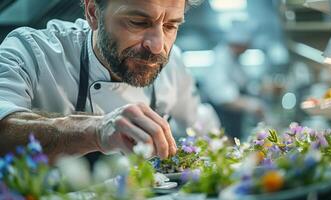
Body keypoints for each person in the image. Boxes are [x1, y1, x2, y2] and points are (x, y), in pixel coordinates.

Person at [0, 0, 219, 163]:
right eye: (138, 22)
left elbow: (202, 128)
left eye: (170, 26)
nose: (158, 46)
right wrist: (94, 130)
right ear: (93, 13)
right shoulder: (30, 52)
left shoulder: (174, 67)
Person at [200, 22, 266, 138]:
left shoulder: (235, 59)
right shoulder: (221, 58)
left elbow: (244, 85)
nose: (248, 48)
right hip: (222, 120)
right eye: (247, 45)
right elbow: (223, 97)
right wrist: (253, 105)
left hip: (234, 121)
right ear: (240, 43)